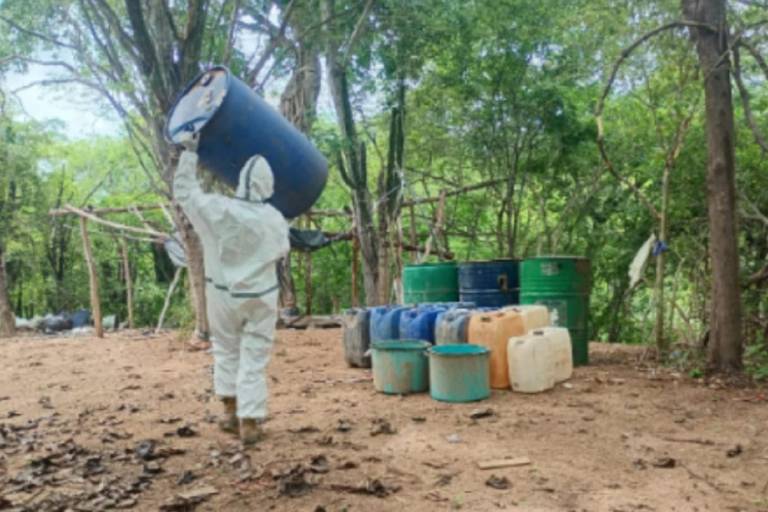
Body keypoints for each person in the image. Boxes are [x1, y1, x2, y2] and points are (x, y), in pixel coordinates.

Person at [173, 134, 289, 445]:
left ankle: (229, 412)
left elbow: (185, 192)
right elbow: (281, 250)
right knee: (254, 357)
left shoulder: (217, 209)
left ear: (239, 182)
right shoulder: (275, 219)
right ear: (268, 186)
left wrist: (190, 153)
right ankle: (249, 421)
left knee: (225, 350)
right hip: (260, 298)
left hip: (221, 294)